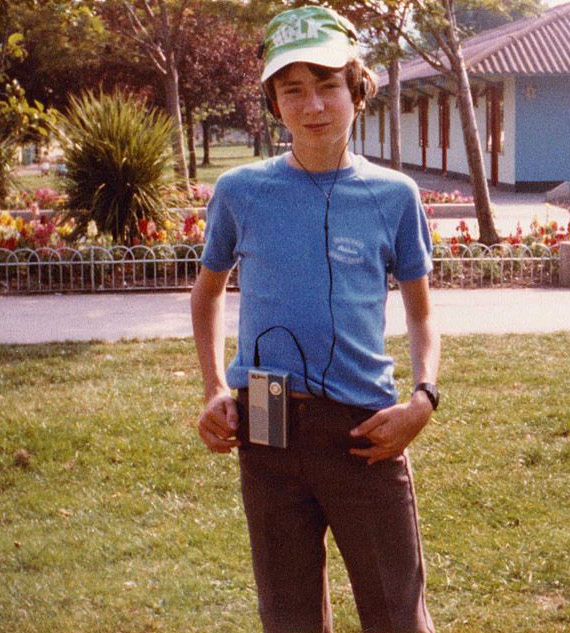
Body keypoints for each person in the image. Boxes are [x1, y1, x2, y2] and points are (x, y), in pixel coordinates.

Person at [191, 6, 440, 633]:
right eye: (292, 90)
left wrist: (423, 398)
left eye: (328, 85)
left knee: (395, 611)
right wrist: (216, 388)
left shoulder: (393, 195)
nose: (314, 106)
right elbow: (207, 292)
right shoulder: (241, 191)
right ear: (273, 103)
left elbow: (420, 308)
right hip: (267, 416)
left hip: (364, 424)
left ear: (357, 89)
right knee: (289, 615)